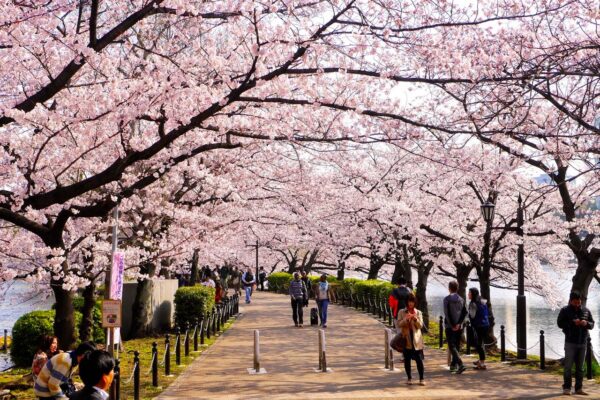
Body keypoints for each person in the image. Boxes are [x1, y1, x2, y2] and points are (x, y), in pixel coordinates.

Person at [558, 292, 595, 396]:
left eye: (579, 302)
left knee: (580, 368)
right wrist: (572, 322)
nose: (577, 304)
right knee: (568, 367)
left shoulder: (586, 310)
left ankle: (578, 388)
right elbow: (559, 323)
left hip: (583, 342)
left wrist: (586, 323)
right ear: (570, 301)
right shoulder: (565, 310)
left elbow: (592, 324)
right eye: (575, 302)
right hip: (570, 342)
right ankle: (566, 388)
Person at [398, 293, 425, 386]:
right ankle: (409, 378)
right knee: (407, 360)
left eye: (412, 302)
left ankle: (421, 379)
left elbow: (420, 325)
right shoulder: (402, 312)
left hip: (416, 340)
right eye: (409, 301)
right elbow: (399, 324)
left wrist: (415, 319)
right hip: (406, 339)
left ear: (415, 302)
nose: (411, 304)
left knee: (419, 360)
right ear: (406, 302)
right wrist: (406, 320)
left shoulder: (418, 312)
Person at [443, 280, 467, 374]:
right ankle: (453, 365)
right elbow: (464, 312)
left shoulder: (447, 299)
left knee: (452, 345)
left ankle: (460, 364)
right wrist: (458, 324)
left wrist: (453, 325)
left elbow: (447, 313)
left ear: (449, 289)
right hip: (459, 326)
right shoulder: (461, 299)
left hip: (450, 325)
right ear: (457, 288)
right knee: (456, 345)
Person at [467, 287, 490, 370]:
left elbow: (472, 316)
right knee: (481, 343)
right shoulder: (482, 301)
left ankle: (482, 364)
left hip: (478, 325)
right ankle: (481, 360)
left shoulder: (473, 303)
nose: (468, 294)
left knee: (478, 344)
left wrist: (468, 316)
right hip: (485, 324)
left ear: (473, 294)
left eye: (469, 293)